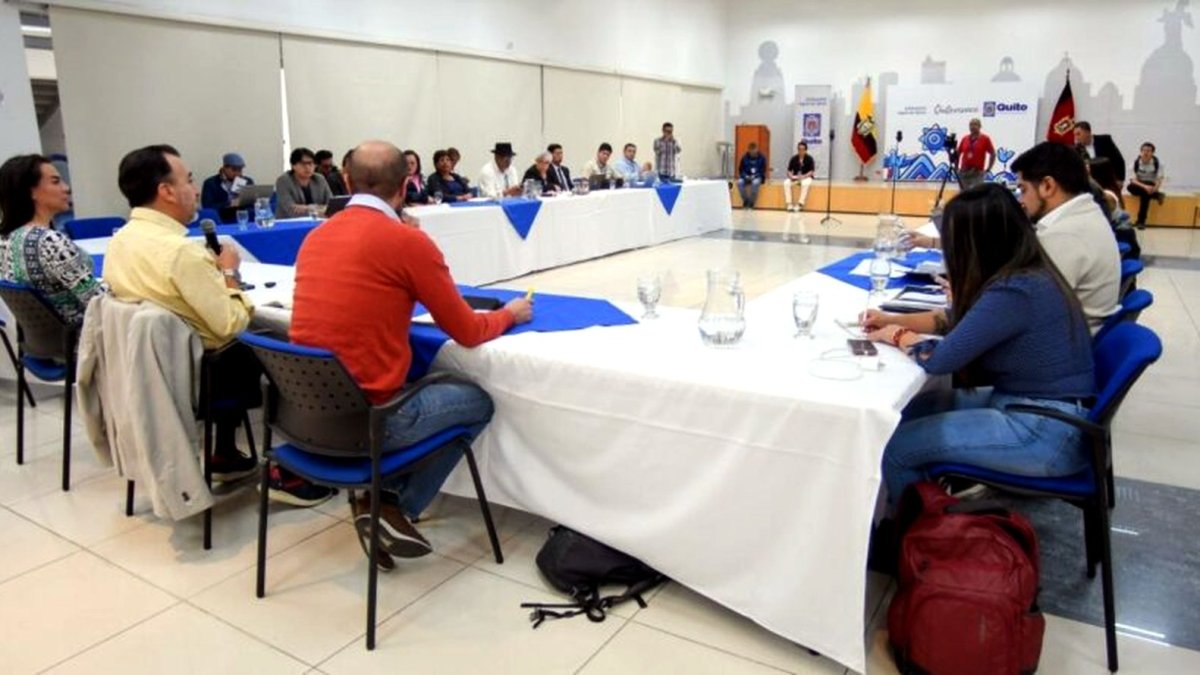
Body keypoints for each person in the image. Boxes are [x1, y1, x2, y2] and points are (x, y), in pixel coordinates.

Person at [290, 140, 534, 567]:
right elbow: (468, 331)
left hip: (305, 416)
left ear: (345, 180)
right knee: (478, 402)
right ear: (405, 187)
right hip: (372, 420)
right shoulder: (408, 243)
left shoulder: (315, 238)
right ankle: (391, 506)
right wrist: (510, 314)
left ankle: (380, 502)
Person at [104, 145, 333, 505]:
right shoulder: (180, 252)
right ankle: (299, 469)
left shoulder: (120, 241)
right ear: (166, 191)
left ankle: (225, 451)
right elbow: (230, 324)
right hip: (205, 375)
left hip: (158, 371)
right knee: (292, 352)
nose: (195, 190)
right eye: (189, 180)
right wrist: (229, 275)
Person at [866, 183, 1094, 507]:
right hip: (1038, 410)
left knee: (897, 447)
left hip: (1044, 431)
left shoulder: (1015, 290)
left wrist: (897, 335)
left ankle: (921, 531)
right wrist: (891, 318)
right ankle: (930, 501)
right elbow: (953, 320)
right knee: (906, 413)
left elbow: (939, 359)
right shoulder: (1025, 274)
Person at [874, 142, 1120, 335]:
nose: (1021, 201)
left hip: (1049, 354)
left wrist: (966, 298)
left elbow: (1011, 313)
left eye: (1023, 189)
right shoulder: (1084, 217)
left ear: (1047, 186)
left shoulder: (1065, 236)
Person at [0, 154, 105, 326]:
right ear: (31, 191)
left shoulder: (6, 239)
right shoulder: (50, 241)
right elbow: (97, 302)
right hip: (81, 335)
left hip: (40, 338)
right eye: (56, 182)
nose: (66, 188)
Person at [274, 147, 333, 218]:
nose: (307, 167)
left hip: (320, 221)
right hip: (289, 222)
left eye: (310, 163)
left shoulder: (319, 179)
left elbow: (332, 206)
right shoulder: (283, 181)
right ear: (293, 165)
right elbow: (291, 209)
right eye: (303, 164)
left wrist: (307, 208)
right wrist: (320, 209)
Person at [1126, 142, 1166, 229]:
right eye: (1144, 150)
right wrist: (1145, 187)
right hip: (1138, 185)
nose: (1146, 153)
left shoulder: (1158, 163)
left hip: (1150, 184)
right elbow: (1133, 180)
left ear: (1152, 153)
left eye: (1148, 151)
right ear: (1140, 151)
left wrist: (1155, 188)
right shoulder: (1134, 163)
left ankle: (1141, 221)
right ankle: (1157, 195)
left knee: (1145, 195)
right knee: (1129, 187)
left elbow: (1159, 179)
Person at [956, 118, 996, 189]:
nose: (973, 127)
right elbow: (958, 154)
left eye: (975, 124)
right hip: (964, 172)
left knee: (977, 193)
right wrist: (956, 167)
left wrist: (989, 168)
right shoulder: (965, 139)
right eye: (971, 125)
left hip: (977, 172)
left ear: (980, 126)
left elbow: (992, 154)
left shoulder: (985, 139)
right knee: (964, 193)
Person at [783, 141, 815, 212]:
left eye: (802, 149)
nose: (801, 151)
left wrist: (803, 176)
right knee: (786, 183)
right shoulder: (794, 158)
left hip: (806, 177)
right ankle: (789, 204)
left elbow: (811, 171)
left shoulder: (809, 158)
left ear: (805, 150)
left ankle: (800, 204)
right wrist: (791, 176)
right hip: (796, 177)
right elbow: (789, 170)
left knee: (805, 184)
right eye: (799, 149)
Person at [736, 143, 767, 209]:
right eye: (751, 151)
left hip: (757, 177)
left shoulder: (762, 158)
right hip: (746, 177)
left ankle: (751, 203)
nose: (753, 153)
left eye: (754, 151)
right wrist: (745, 176)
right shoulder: (744, 158)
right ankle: (746, 201)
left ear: (757, 150)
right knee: (739, 182)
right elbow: (741, 170)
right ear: (749, 150)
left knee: (755, 183)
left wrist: (754, 176)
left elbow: (763, 171)